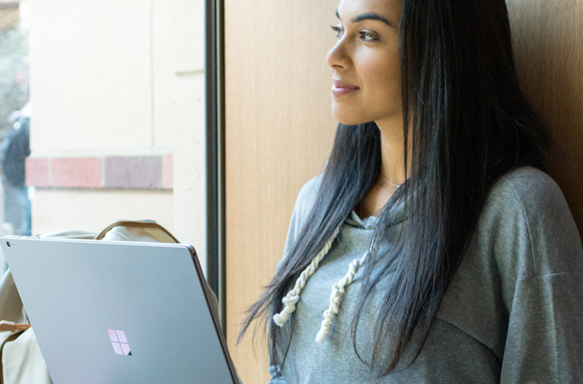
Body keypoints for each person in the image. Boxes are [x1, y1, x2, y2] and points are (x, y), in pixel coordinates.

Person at [237, 0, 583, 382]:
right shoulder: (316, 201)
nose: (334, 56)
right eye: (339, 31)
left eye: (367, 35)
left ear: (441, 52)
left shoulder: (517, 208)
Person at [1, 115, 32, 236]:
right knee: (28, 217)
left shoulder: (15, 134)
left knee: (27, 217)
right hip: (23, 179)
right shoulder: (21, 133)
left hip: (21, 179)